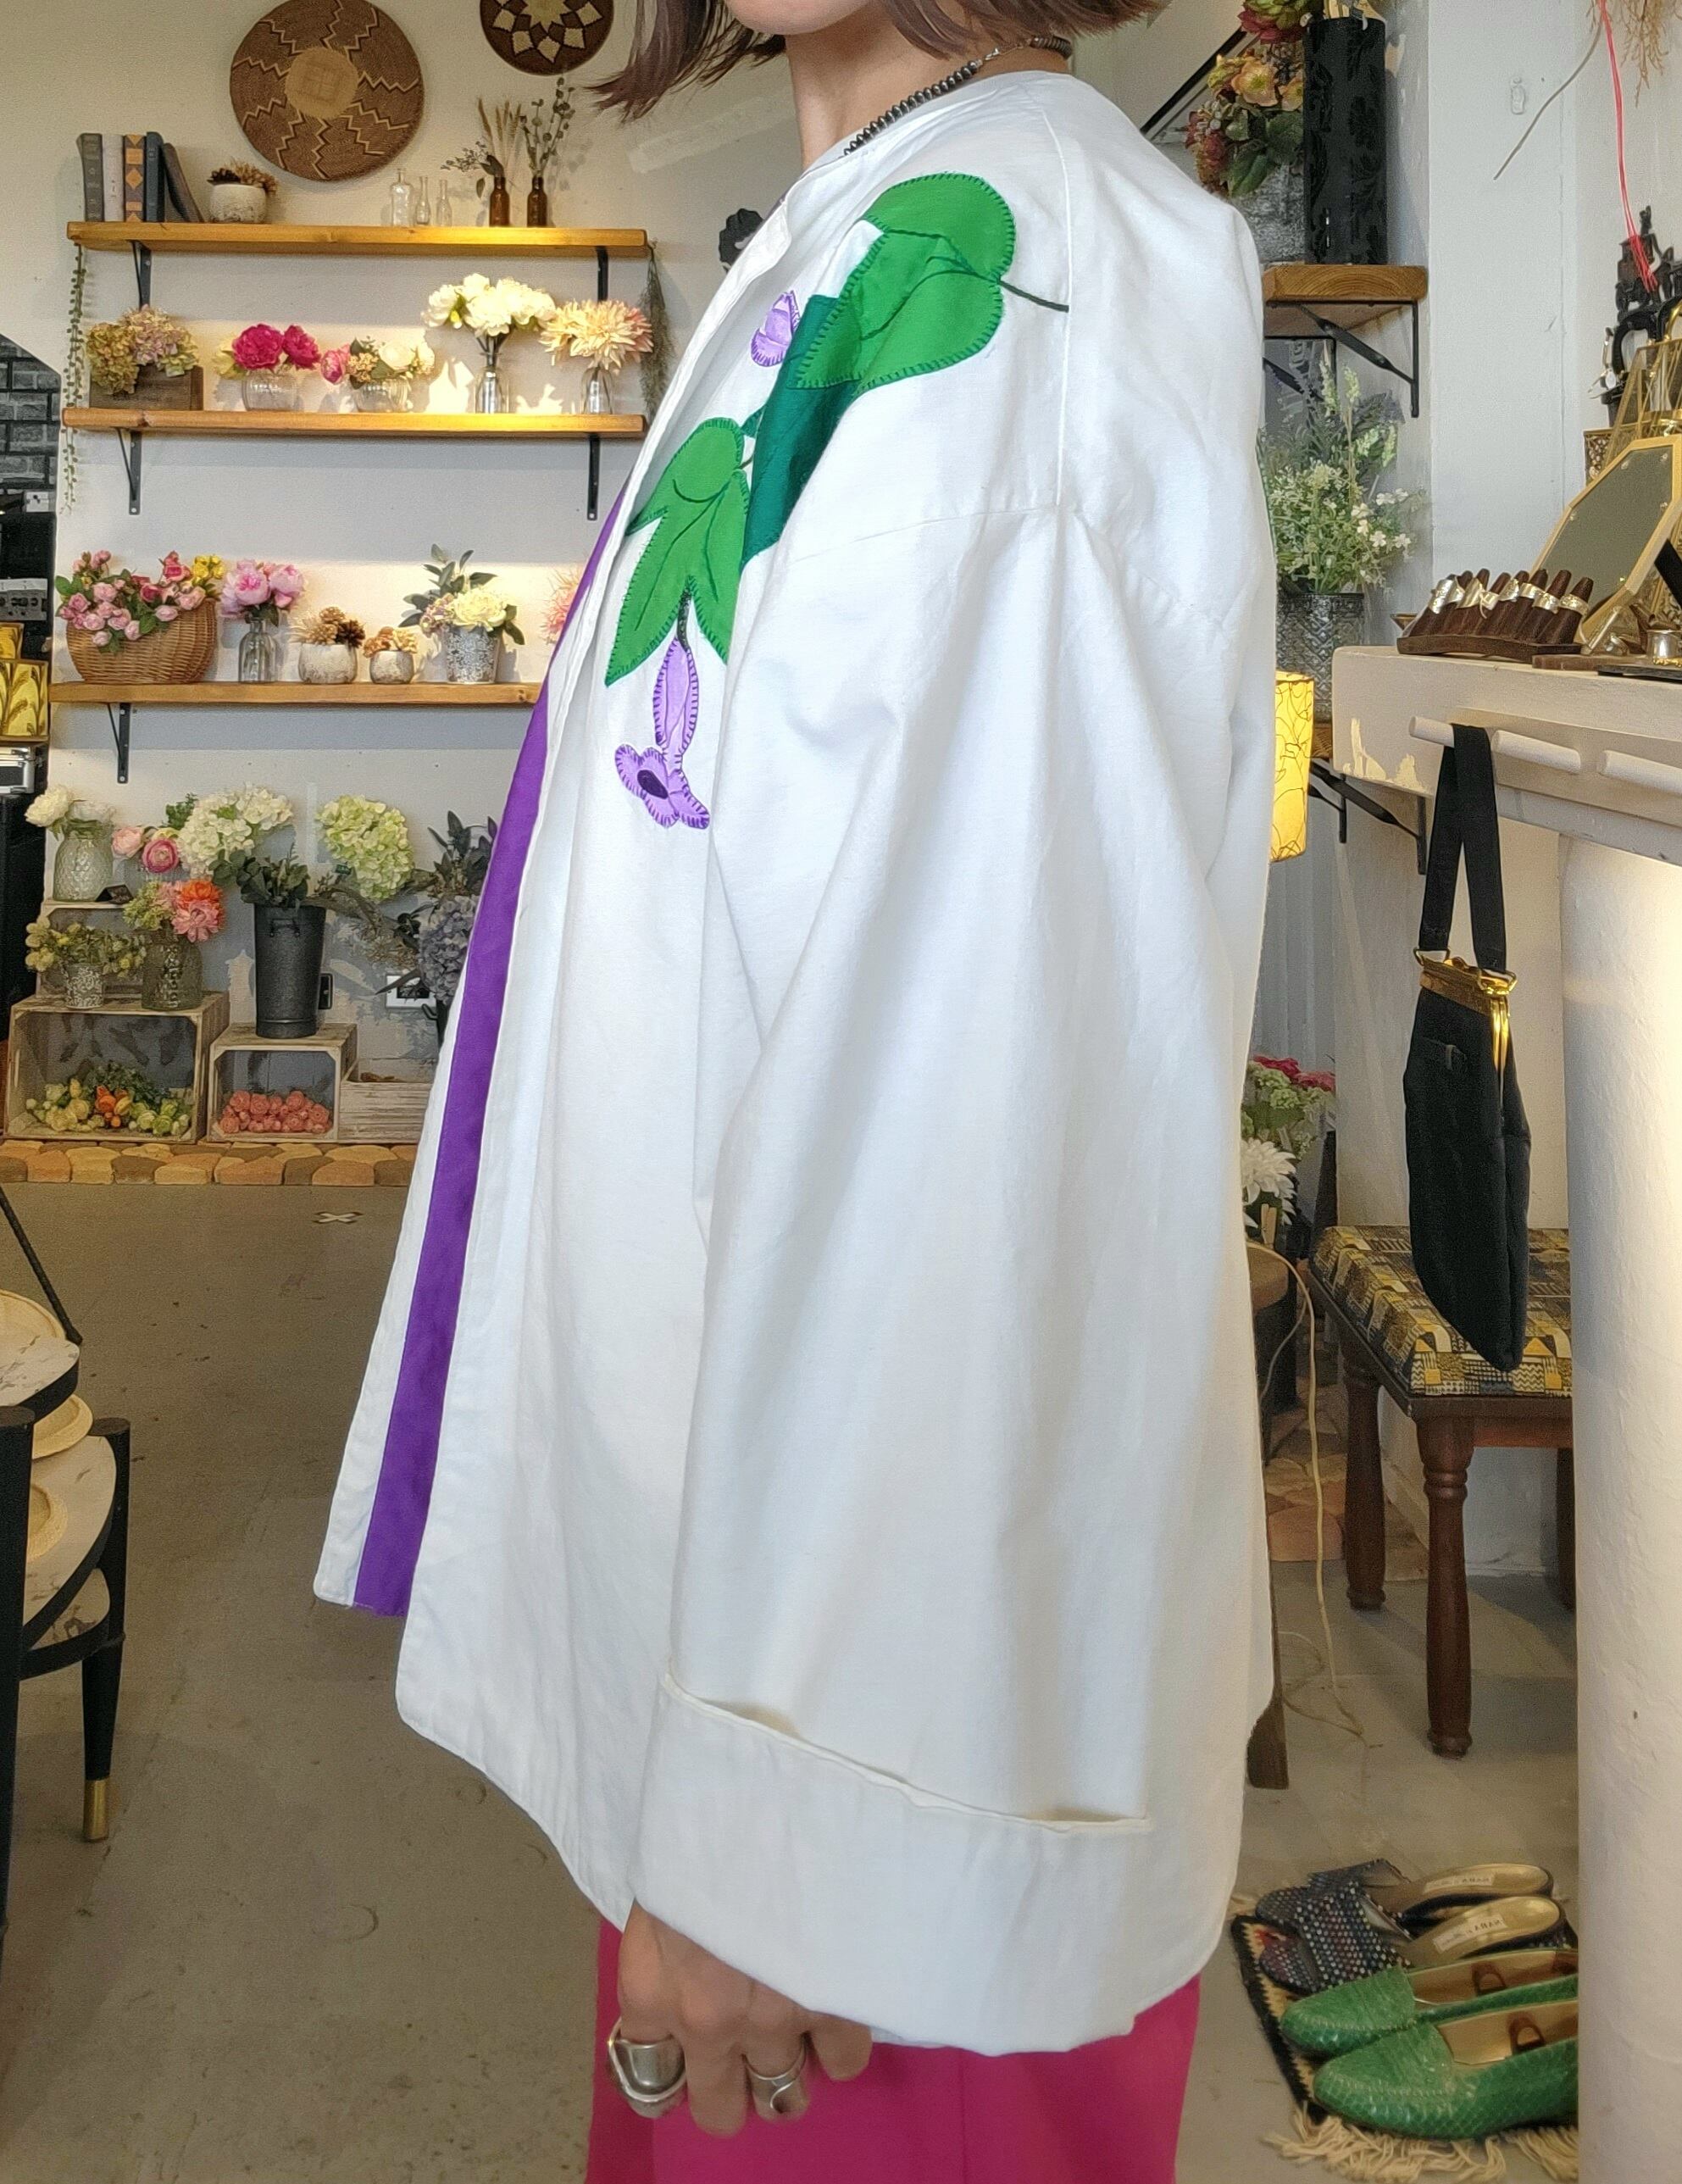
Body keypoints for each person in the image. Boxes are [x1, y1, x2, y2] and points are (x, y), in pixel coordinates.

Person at [317, 0, 1276, 2174]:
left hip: (881, 1764)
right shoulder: (865, 218)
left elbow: (980, 1088)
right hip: (755, 1651)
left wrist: (788, 1823)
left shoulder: (1020, 270)